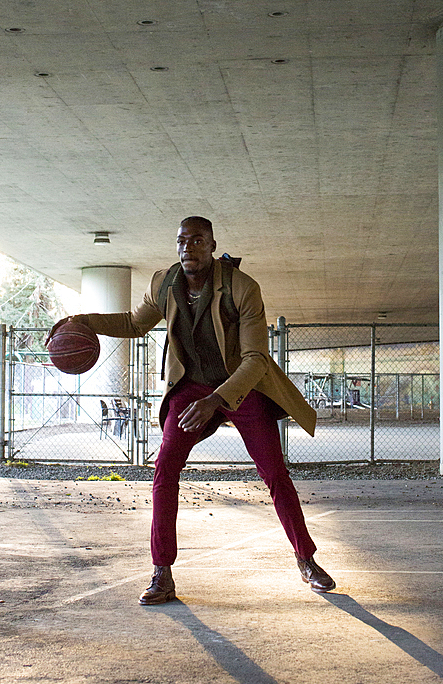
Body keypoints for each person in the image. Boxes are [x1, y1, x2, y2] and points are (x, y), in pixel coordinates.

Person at [48, 217, 335, 603]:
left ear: (213, 246)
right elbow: (135, 323)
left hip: (239, 383)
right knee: (165, 466)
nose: (188, 248)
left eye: (198, 241)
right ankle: (162, 573)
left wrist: (217, 399)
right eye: (182, 241)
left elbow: (256, 359)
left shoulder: (242, 288)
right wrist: (80, 320)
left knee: (274, 472)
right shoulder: (164, 283)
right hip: (190, 385)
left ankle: (306, 559)